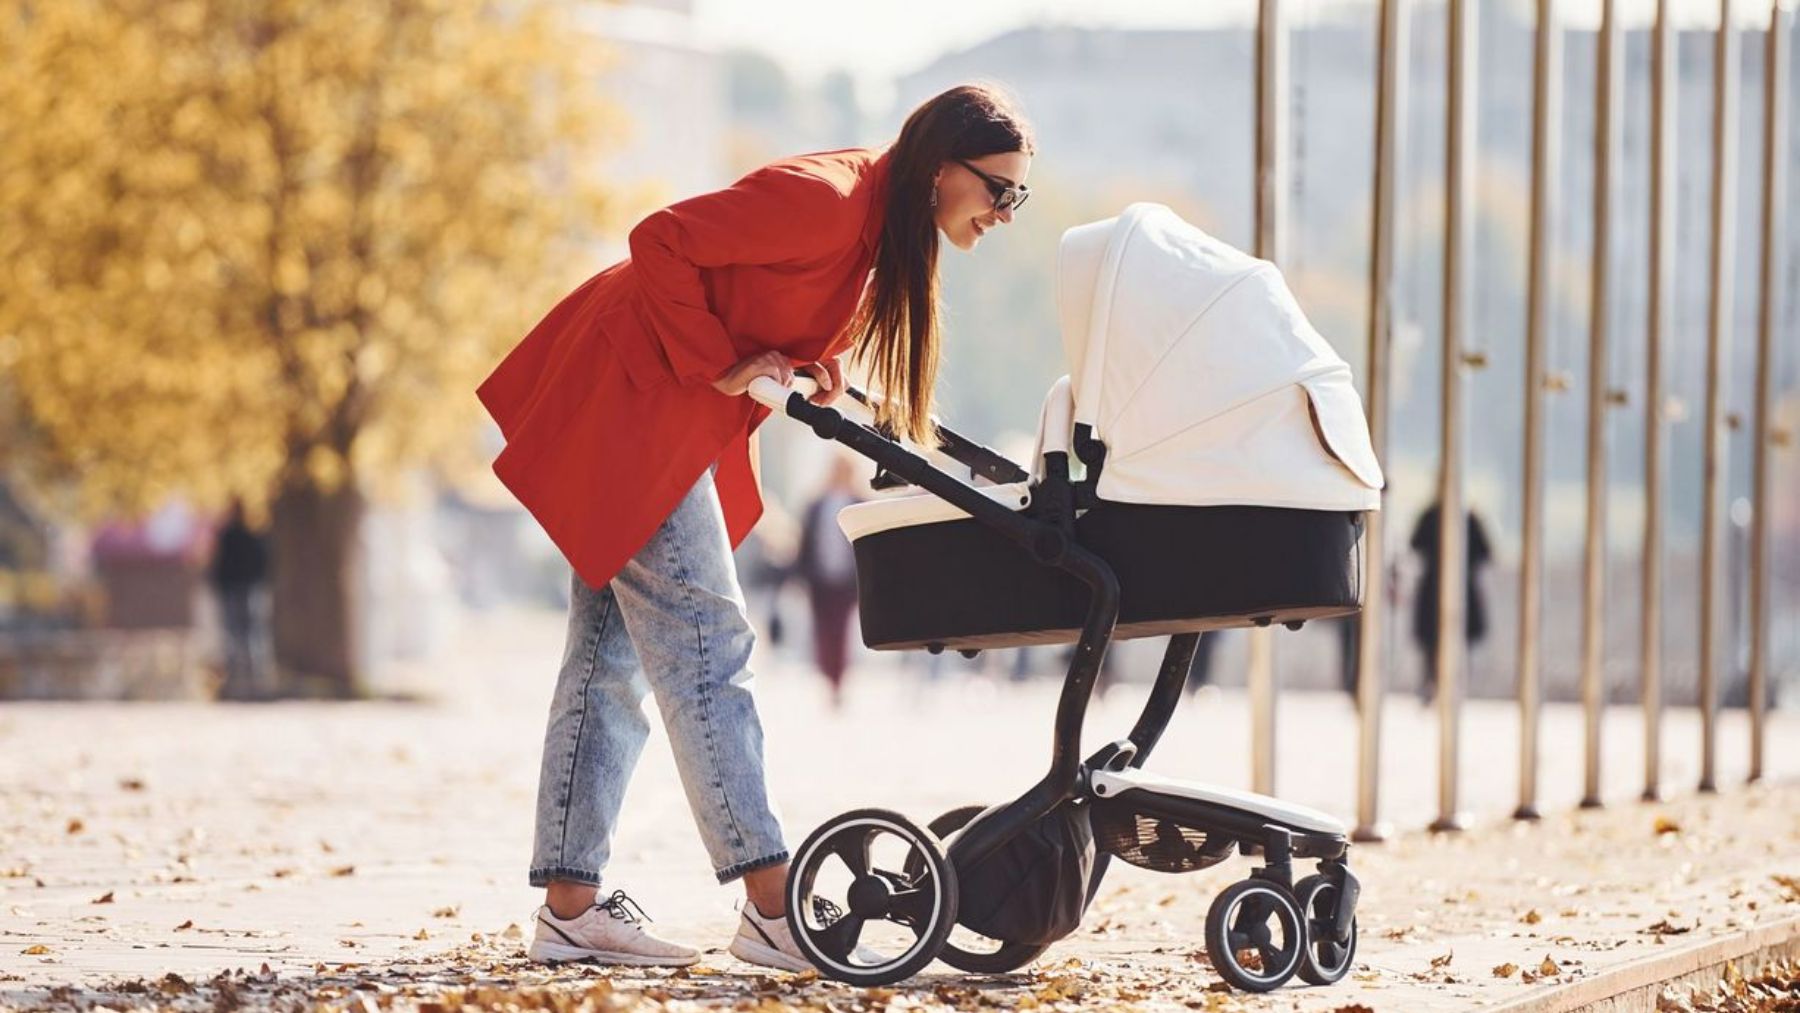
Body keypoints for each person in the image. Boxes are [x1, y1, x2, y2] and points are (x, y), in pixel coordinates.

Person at [475, 84, 1034, 970]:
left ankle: (571, 907)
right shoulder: (826, 198)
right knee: (709, 643)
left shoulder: (872, 228)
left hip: (655, 412)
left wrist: (818, 363)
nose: (1005, 212)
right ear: (941, 170)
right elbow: (660, 240)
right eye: (999, 190)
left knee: (609, 656)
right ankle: (773, 904)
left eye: (1017, 196)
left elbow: (768, 295)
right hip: (634, 404)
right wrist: (723, 363)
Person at [795, 455, 864, 709]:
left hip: (847, 580)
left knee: (842, 632)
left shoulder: (859, 503)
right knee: (823, 632)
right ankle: (828, 675)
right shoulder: (816, 505)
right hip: (820, 579)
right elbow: (805, 544)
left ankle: (838, 679)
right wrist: (800, 576)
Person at [1408, 502, 1493, 703]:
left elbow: (1415, 544)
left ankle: (1439, 684)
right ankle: (1446, 685)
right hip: (1456, 587)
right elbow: (1486, 553)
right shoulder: (1467, 518)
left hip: (1441, 588)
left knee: (1438, 645)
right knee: (1447, 643)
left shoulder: (1433, 515)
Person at [208, 498, 270, 700]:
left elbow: (219, 565)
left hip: (237, 589)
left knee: (237, 633)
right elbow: (263, 562)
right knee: (249, 633)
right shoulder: (253, 534)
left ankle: (243, 677)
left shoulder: (231, 535)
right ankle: (252, 676)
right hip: (246, 587)